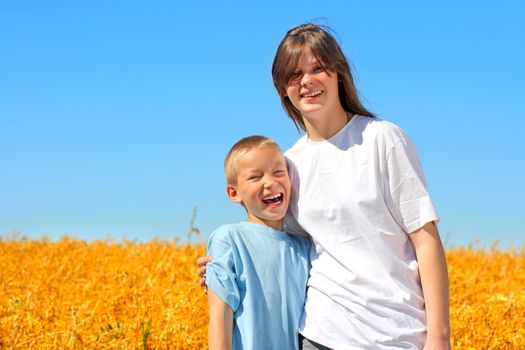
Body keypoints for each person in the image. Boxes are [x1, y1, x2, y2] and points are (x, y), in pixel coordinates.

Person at [200, 23, 450, 350]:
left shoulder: (382, 139)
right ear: (283, 90)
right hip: (320, 335)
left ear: (339, 74)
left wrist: (439, 337)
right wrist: (225, 265)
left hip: (397, 335)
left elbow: (425, 238)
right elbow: (277, 241)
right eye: (294, 74)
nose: (307, 81)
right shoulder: (289, 165)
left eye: (318, 68)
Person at [205, 135, 311, 350]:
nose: (270, 182)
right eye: (255, 177)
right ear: (234, 193)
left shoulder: (305, 246)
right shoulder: (229, 239)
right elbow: (219, 317)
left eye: (279, 172)